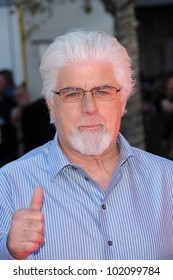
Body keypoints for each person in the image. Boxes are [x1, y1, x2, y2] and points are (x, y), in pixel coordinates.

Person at [0, 29, 172, 260]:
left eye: (102, 91)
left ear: (122, 102)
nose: (89, 108)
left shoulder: (167, 179)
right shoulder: (9, 185)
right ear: (51, 106)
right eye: (72, 94)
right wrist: (9, 255)